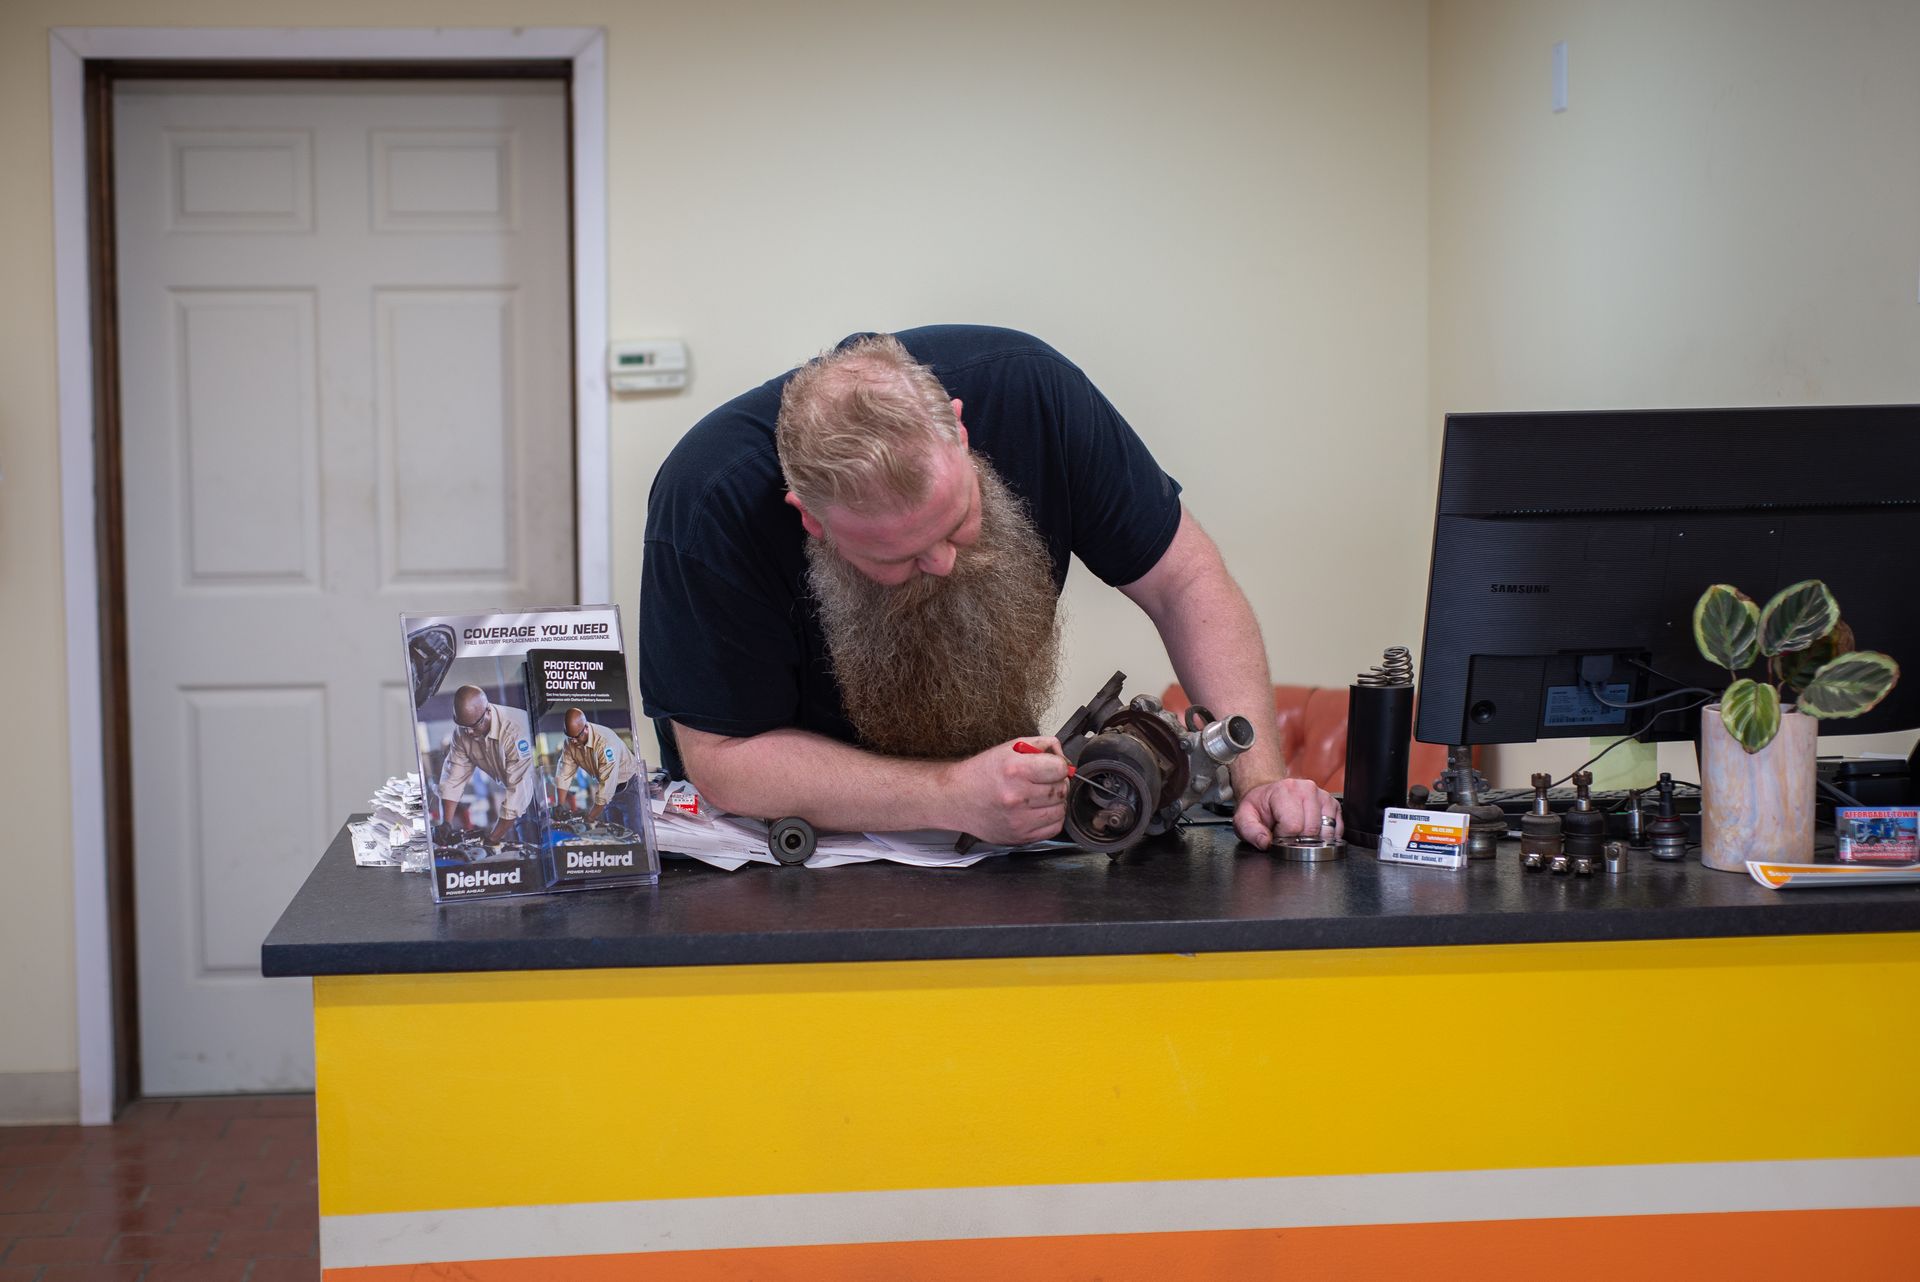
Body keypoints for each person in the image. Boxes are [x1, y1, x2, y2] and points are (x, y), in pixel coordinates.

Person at [640, 326, 1337, 850]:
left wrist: (1260, 779)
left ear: (961, 430)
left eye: (957, 521)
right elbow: (725, 760)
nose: (943, 562)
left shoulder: (1039, 398)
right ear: (810, 520)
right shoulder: (707, 503)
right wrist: (946, 795)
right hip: (787, 862)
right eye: (901, 555)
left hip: (987, 859)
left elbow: (1184, 581)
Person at [436, 685, 541, 845]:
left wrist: (492, 839)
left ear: (488, 712)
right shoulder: (462, 732)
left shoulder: (515, 728)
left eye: (474, 725)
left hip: (536, 792)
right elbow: (452, 780)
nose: (469, 732)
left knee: (529, 839)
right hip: (511, 787)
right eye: (464, 726)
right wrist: (446, 824)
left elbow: (520, 790)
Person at [555, 708, 644, 832]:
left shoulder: (606, 742)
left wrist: (590, 818)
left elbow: (606, 786)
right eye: (570, 737)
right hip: (608, 791)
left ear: (585, 728)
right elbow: (564, 772)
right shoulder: (570, 741)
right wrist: (560, 805)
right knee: (612, 833)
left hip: (629, 788)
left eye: (576, 737)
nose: (573, 741)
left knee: (633, 833)